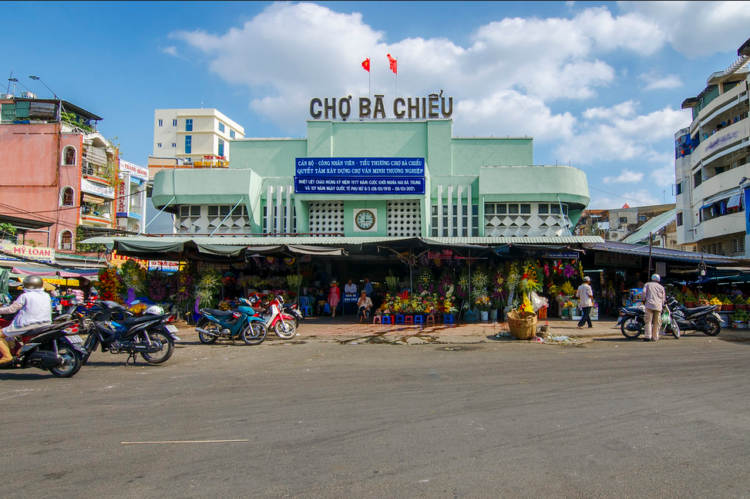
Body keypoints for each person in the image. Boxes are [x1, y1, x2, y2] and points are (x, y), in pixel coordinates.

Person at [0, 275, 52, 364]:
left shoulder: (25, 296)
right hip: (45, 324)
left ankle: (6, 356)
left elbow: (11, 309)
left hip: (27, 325)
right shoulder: (46, 295)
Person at [643, 273, 666, 342]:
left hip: (649, 305)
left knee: (648, 321)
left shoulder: (647, 284)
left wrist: (644, 299)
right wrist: (661, 304)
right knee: (657, 322)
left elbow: (643, 293)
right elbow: (663, 298)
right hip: (658, 306)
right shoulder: (661, 287)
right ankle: (655, 337)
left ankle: (648, 336)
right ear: (659, 280)